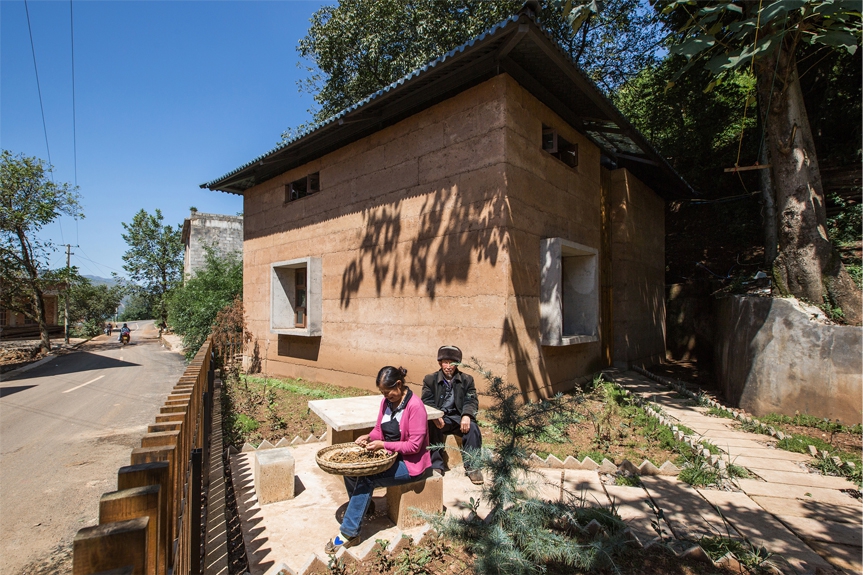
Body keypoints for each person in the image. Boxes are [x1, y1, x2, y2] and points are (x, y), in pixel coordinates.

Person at [325, 366, 431, 554]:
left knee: (368, 477)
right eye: (382, 393)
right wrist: (368, 437)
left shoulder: (415, 407)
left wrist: (383, 445)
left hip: (410, 464)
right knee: (351, 469)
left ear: (399, 385)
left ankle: (349, 532)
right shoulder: (386, 403)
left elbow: (414, 446)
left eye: (387, 392)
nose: (385, 396)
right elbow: (379, 430)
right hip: (391, 457)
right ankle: (365, 507)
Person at [421, 345, 484, 485]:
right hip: (441, 416)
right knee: (432, 425)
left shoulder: (467, 380)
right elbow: (426, 401)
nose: (448, 366)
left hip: (458, 417)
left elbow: (471, 400)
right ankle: (436, 465)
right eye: (445, 362)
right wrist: (436, 415)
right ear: (440, 363)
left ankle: (473, 466)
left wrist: (467, 415)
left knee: (473, 428)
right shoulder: (430, 380)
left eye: (452, 363)